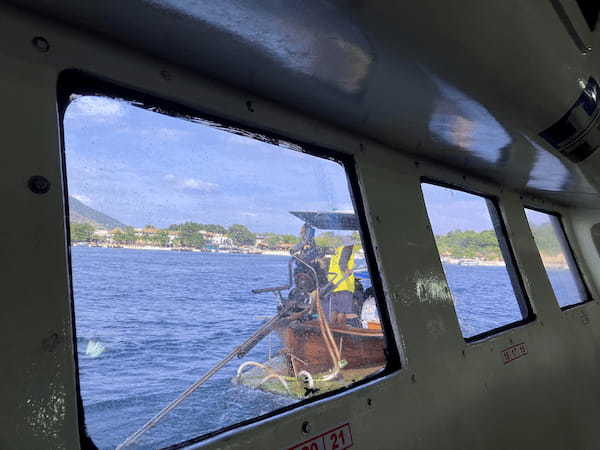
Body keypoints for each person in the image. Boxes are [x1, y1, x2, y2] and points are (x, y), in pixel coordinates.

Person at [327, 236, 357, 325]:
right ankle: (340, 330)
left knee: (334, 310)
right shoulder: (347, 249)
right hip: (344, 285)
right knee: (342, 312)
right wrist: (348, 271)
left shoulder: (337, 250)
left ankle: (332, 328)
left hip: (334, 284)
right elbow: (342, 265)